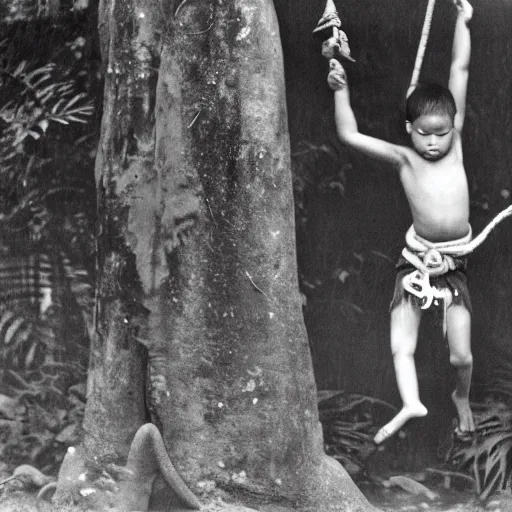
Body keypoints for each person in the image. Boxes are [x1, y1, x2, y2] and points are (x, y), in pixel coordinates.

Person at [327, 0, 475, 444]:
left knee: (461, 356)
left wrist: (464, 21)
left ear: (453, 126)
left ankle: (461, 398)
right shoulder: (405, 160)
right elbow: (349, 135)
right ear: (409, 129)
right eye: (424, 133)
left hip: (452, 267)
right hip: (414, 264)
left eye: (441, 132)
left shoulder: (458, 144)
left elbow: (460, 70)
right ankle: (411, 402)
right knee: (401, 345)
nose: (433, 142)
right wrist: (339, 89)